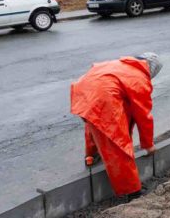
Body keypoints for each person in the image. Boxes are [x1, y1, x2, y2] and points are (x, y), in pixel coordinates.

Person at [70, 52, 163, 199]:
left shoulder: (120, 65)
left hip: (83, 94)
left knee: (95, 124)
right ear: (152, 70)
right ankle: (132, 191)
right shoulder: (139, 79)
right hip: (102, 97)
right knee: (118, 144)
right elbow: (143, 116)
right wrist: (148, 145)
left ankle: (92, 155)